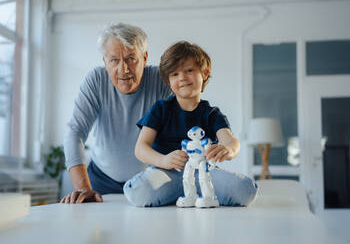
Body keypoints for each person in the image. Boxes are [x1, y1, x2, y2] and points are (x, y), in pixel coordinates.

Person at [123, 41, 258, 207]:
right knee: (138, 191)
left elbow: (231, 141)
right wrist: (164, 160)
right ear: (167, 81)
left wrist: (229, 150)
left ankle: (195, 192)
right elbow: (141, 148)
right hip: (166, 172)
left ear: (205, 73)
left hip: (204, 173)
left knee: (245, 191)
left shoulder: (212, 114)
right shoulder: (160, 109)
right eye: (174, 74)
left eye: (189, 70)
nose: (182, 78)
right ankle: (183, 192)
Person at [60, 23, 171, 204]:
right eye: (114, 60)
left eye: (131, 59)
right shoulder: (96, 80)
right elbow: (75, 131)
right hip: (101, 180)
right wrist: (83, 188)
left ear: (144, 58)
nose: (123, 69)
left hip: (149, 180)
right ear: (105, 62)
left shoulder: (162, 81)